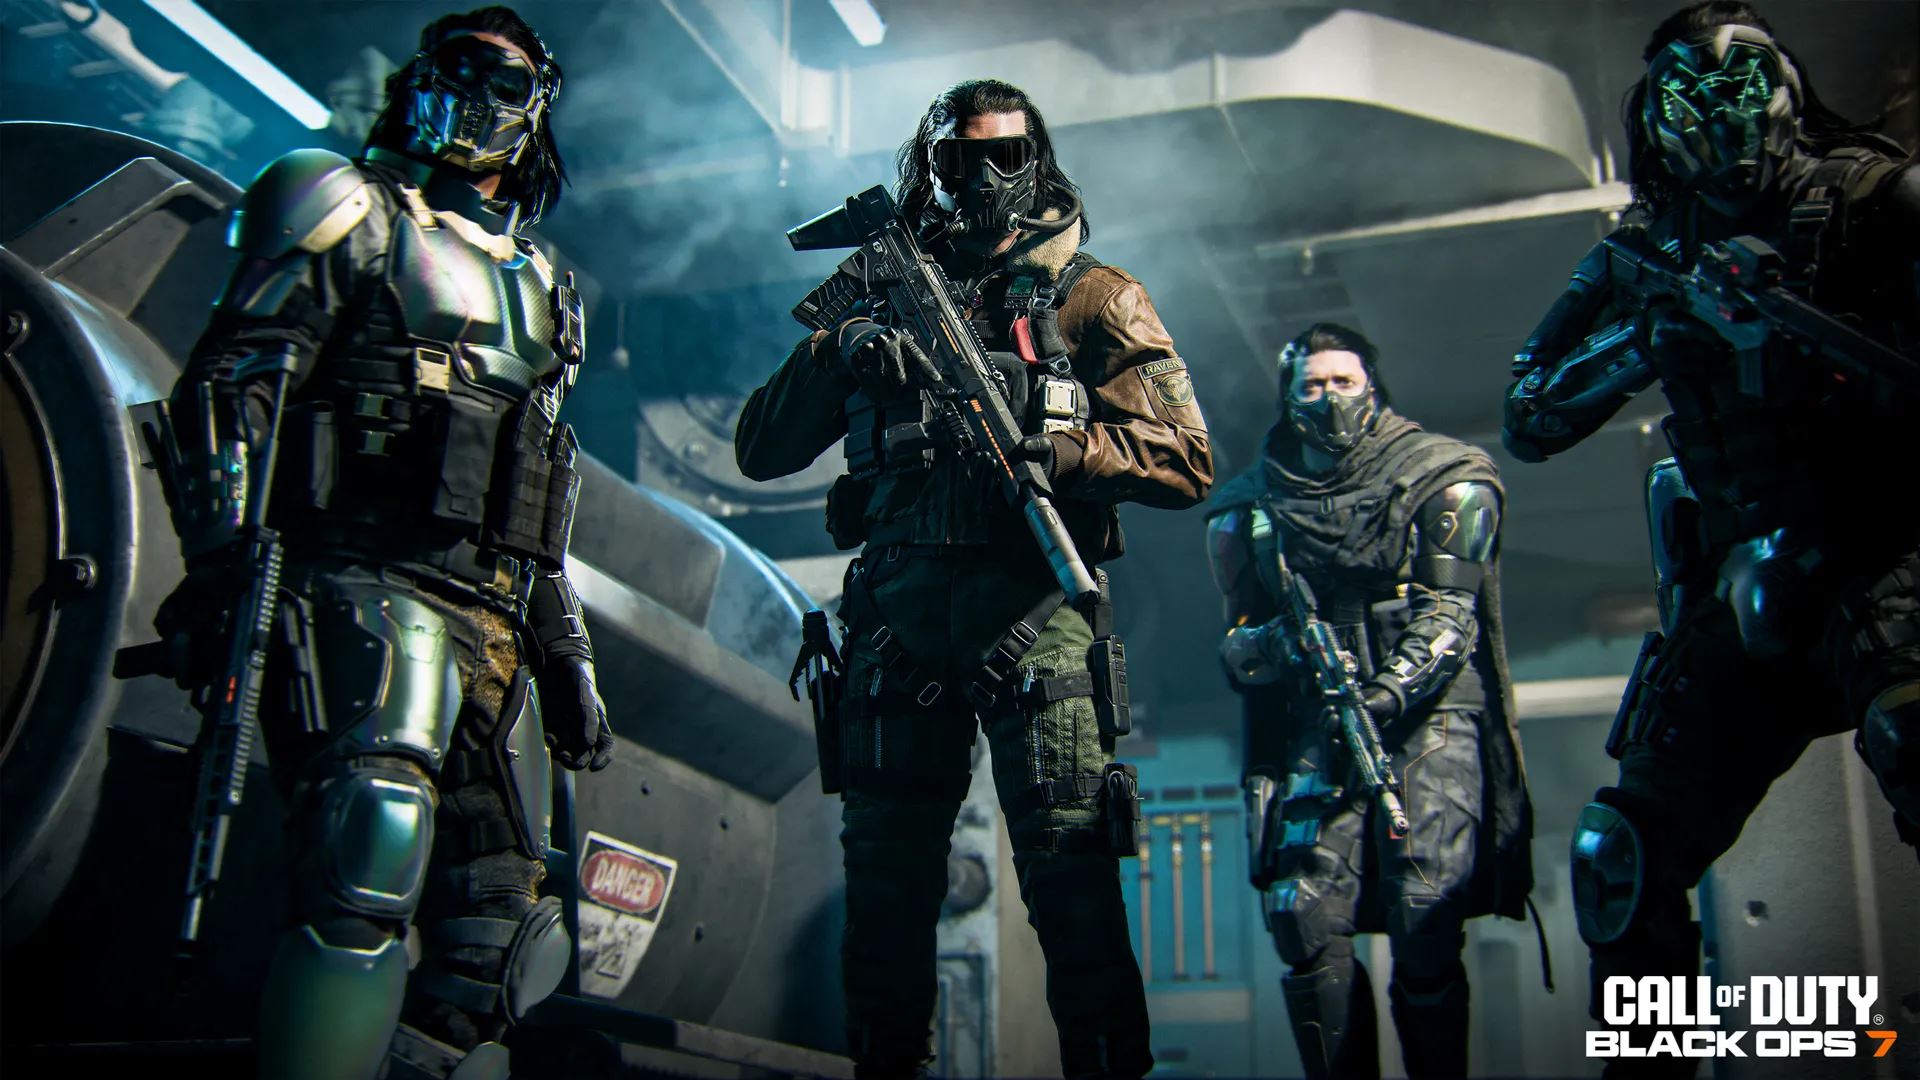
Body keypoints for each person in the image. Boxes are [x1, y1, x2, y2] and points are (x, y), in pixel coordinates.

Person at [152, 8, 612, 1079]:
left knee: (506, 941)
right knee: (368, 859)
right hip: (360, 577)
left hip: (491, 621)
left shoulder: (545, 284)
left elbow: (538, 484)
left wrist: (565, 649)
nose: (480, 96)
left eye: (508, 81)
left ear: (538, 110)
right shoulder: (345, 204)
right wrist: (220, 565)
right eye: (460, 69)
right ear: (420, 78)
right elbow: (231, 387)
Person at [735, 78, 1212, 1079]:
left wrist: (1065, 445)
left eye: (1006, 154)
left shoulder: (1093, 295)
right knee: (885, 894)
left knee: (1073, 880)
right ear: (931, 165)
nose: (985, 177)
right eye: (960, 157)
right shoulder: (877, 284)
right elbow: (760, 448)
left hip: (1032, 606)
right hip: (897, 615)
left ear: (1036, 160)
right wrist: (841, 349)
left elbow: (1184, 460)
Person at [1502, 2, 1919, 1073]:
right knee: (1620, 856)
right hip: (1741, 589)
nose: (1726, 112)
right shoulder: (1644, 253)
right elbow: (1531, 416)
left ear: (1785, 88)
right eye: (1696, 90)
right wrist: (1657, 329)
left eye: (1744, 81)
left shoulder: (1876, 198)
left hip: (1886, 561)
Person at [1206, 323, 1534, 1080]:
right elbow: (1237, 646)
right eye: (1313, 386)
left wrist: (1387, 693)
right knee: (1302, 913)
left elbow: (1451, 618)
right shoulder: (1251, 507)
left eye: (1343, 382)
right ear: (1289, 397)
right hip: (1319, 717)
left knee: (1427, 906)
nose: (1329, 399)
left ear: (1372, 387)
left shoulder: (1441, 475)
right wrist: (1282, 647)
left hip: (1429, 714)